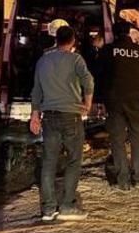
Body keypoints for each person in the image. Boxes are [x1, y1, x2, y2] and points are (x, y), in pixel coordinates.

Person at [30, 25, 94, 222]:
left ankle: (48, 210)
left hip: (48, 117)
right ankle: (67, 205)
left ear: (56, 40)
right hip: (71, 116)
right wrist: (87, 104)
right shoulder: (75, 59)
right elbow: (88, 81)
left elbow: (37, 91)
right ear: (73, 40)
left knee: (48, 163)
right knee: (74, 160)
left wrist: (34, 116)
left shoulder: (43, 61)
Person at [100, 21, 139, 191]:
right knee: (137, 139)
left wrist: (103, 96)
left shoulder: (107, 51)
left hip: (114, 101)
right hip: (136, 102)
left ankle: (122, 180)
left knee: (117, 140)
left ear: (115, 33)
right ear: (129, 33)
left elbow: (98, 75)